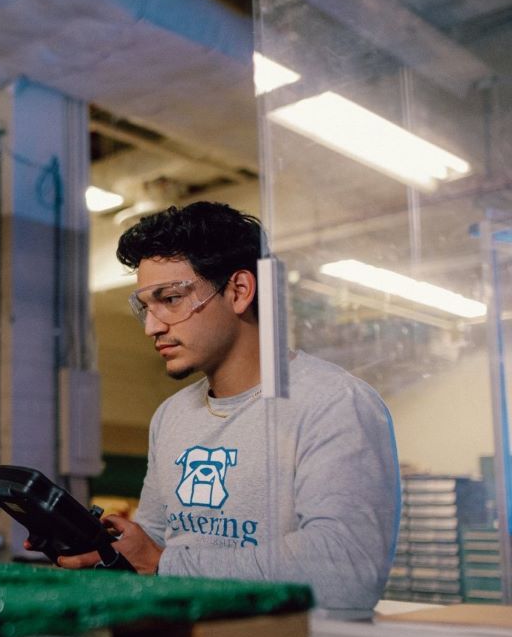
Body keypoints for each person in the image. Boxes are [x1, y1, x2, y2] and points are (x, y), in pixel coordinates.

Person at [38, 201, 400, 615]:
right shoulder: (171, 416)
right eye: (145, 307)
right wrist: (97, 552)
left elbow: (347, 572)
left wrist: (163, 563)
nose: (152, 327)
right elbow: (153, 547)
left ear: (239, 291)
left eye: (171, 299)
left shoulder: (334, 403)